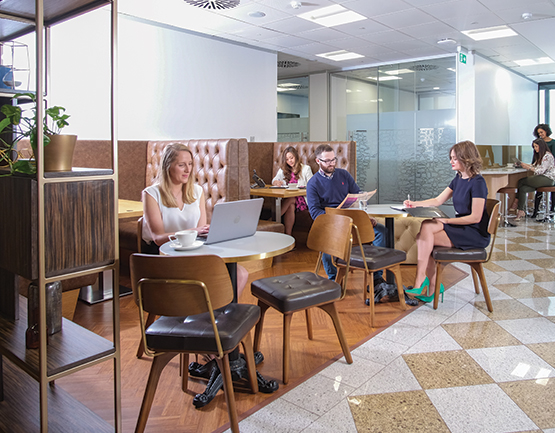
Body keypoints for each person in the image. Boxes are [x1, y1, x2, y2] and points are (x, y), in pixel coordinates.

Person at [142, 143, 249, 295]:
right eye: (181, 165)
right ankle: (208, 309)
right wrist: (194, 231)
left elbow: (200, 230)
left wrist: (213, 231)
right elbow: (158, 238)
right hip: (164, 253)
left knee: (240, 274)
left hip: (193, 250)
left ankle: (220, 310)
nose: (188, 170)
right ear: (168, 166)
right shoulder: (151, 194)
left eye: (190, 164)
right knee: (214, 277)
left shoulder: (197, 191)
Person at [403, 140, 490, 303]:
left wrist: (447, 221)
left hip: (474, 232)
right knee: (426, 230)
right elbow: (438, 200)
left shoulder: (478, 183)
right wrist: (415, 204)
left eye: (454, 158)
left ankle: (424, 282)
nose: (451, 161)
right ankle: (427, 284)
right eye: (451, 158)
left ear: (466, 158)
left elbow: (475, 218)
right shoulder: (458, 179)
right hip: (462, 228)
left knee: (424, 236)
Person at [306, 144, 387, 283]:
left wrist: (366, 216)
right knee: (325, 241)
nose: (332, 163)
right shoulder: (313, 183)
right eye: (327, 161)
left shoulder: (343, 175)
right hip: (332, 225)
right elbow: (315, 213)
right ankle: (334, 280)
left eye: (333, 159)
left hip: (353, 220)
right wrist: (336, 220)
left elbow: (358, 196)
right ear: (318, 161)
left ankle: (377, 278)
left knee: (381, 232)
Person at [272, 146, 313, 235]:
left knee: (291, 199)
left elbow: (312, 185)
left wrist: (302, 187)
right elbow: (274, 180)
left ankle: (273, 221)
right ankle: (289, 235)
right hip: (289, 198)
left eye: (291, 158)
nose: (290, 161)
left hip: (303, 198)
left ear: (296, 157)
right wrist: (276, 182)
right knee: (290, 206)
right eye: (287, 159)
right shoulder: (283, 169)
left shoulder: (306, 169)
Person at [512, 138, 555, 221]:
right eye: (534, 147)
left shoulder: (547, 156)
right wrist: (523, 164)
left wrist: (528, 167)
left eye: (536, 146)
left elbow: (540, 171)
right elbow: (534, 166)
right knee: (523, 189)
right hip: (541, 178)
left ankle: (516, 202)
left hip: (547, 179)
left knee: (521, 181)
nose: (535, 148)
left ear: (541, 146)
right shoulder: (540, 156)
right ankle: (521, 211)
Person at [531, 124, 555, 215]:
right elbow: (535, 156)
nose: (540, 134)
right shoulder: (538, 143)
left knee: (553, 191)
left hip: (551, 171)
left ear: (546, 131)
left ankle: (552, 210)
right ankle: (535, 211)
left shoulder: (553, 143)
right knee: (539, 190)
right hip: (541, 170)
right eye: (539, 133)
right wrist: (532, 165)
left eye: (541, 132)